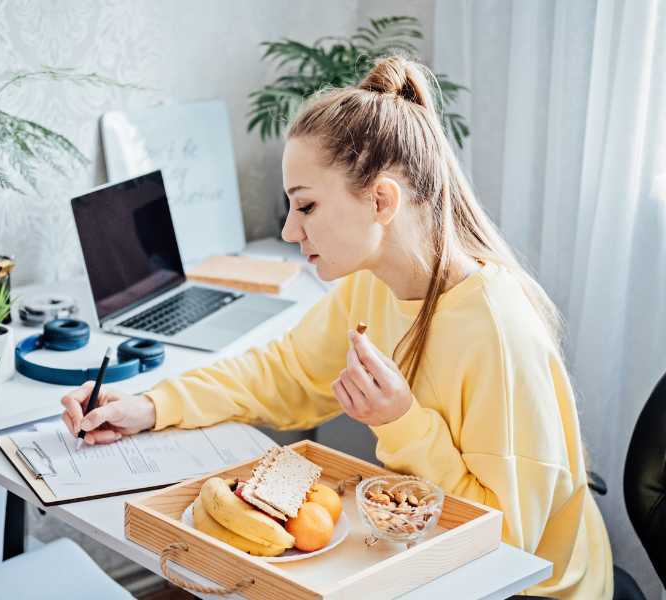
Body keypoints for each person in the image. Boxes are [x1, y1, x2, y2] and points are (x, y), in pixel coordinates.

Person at [61, 55, 612, 598]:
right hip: (432, 556)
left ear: (381, 201)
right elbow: (281, 374)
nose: (287, 229)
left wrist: (401, 422)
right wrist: (151, 406)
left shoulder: (496, 330)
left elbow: (510, 540)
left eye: (305, 207)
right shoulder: (373, 282)